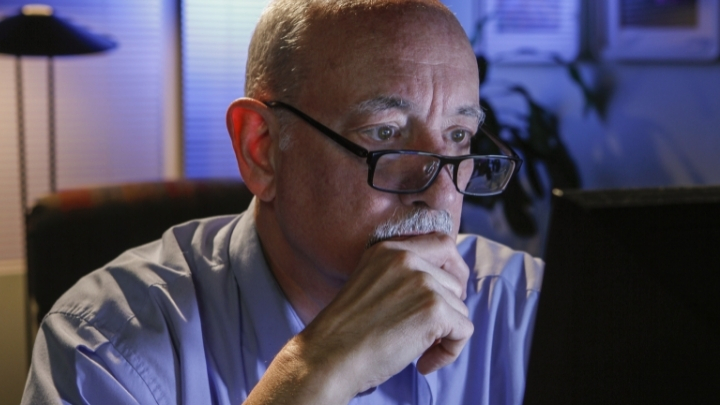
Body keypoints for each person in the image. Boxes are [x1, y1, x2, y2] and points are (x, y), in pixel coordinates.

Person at [22, 0, 543, 404]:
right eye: (385, 132)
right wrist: (314, 372)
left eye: (458, 136)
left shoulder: (530, 310)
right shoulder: (104, 346)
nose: (439, 189)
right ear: (262, 150)